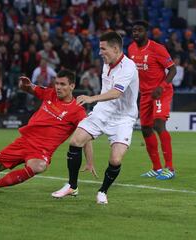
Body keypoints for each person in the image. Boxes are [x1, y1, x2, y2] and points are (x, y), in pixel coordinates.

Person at [0, 70, 95, 195]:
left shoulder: (77, 111)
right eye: (57, 83)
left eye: (63, 84)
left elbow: (84, 136)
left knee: (39, 166)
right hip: (23, 142)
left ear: (72, 86)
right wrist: (24, 85)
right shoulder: (49, 93)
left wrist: (89, 162)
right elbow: (28, 88)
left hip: (41, 151)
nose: (58, 87)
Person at [52, 31, 139, 204]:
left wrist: (91, 98)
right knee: (75, 141)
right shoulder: (107, 63)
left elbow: (116, 93)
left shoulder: (128, 67)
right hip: (103, 111)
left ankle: (103, 191)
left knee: (115, 159)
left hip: (124, 118)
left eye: (103, 49)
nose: (100, 53)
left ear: (115, 48)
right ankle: (72, 186)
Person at [128, 20, 177, 180]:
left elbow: (172, 69)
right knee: (146, 129)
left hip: (160, 92)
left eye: (139, 30)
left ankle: (170, 168)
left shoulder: (157, 48)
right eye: (134, 30)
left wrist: (161, 87)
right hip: (145, 94)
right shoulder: (131, 48)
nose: (136, 33)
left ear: (146, 32)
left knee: (158, 124)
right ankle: (156, 168)